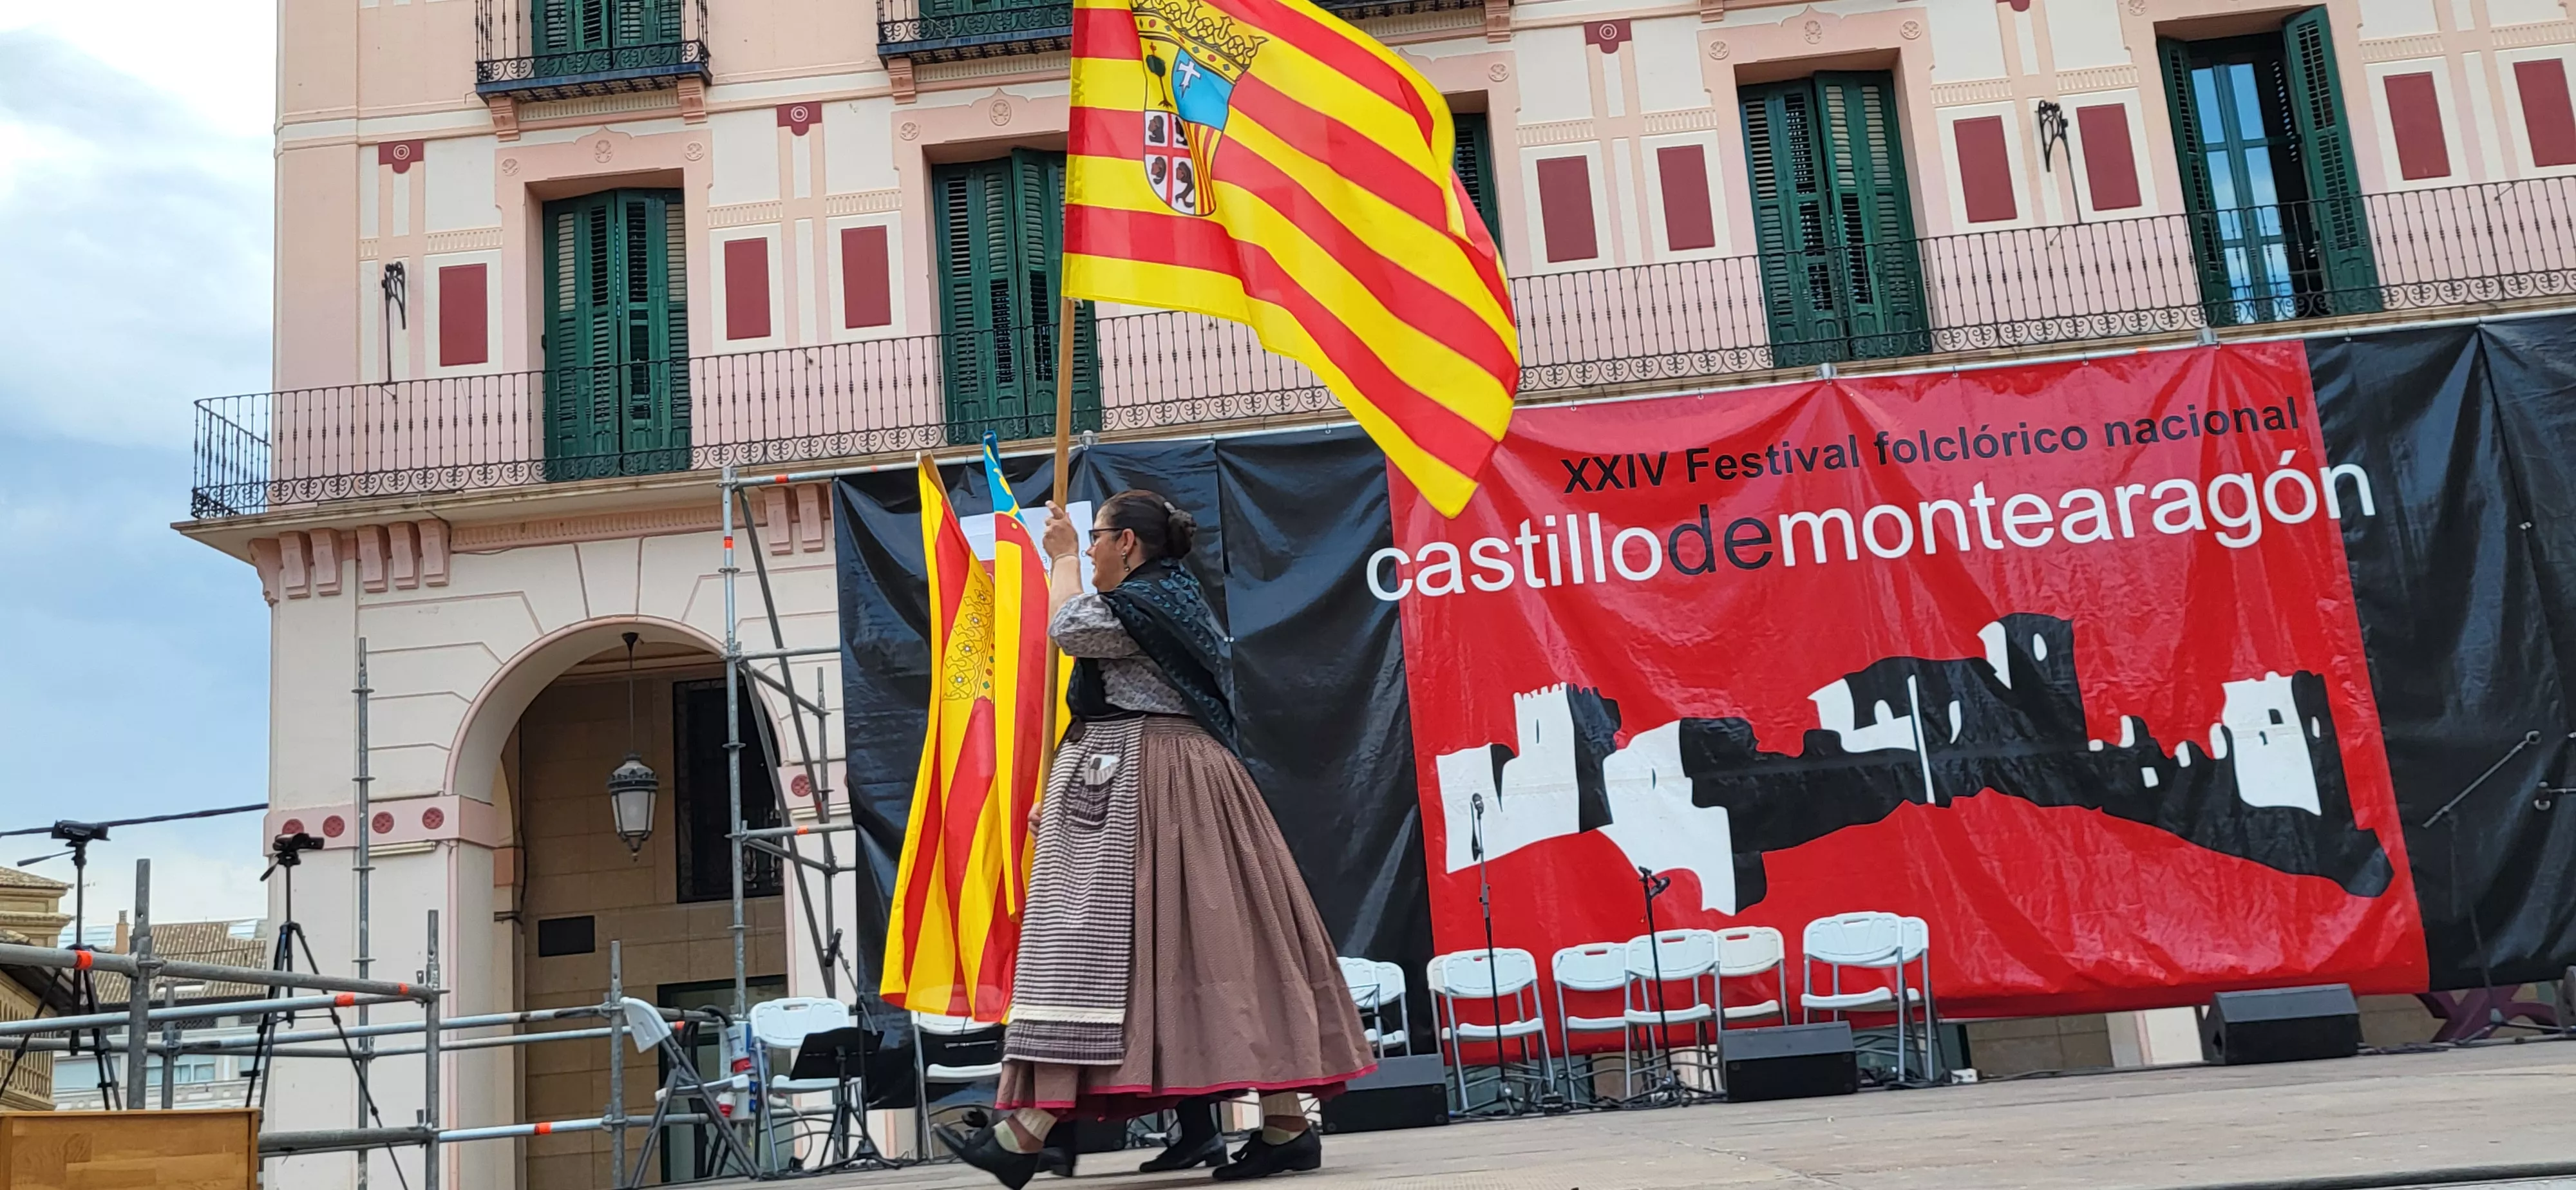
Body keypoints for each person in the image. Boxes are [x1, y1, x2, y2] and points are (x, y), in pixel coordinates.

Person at [938, 490, 1376, 1187]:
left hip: (1148, 780)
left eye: (1097, 537)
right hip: (1164, 779)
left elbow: (1068, 625)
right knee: (1219, 940)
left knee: (1090, 945)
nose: (1088, 548)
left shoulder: (1140, 607)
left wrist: (1056, 559)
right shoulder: (1169, 598)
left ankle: (1029, 1132)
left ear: (1128, 546)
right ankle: (1285, 1122)